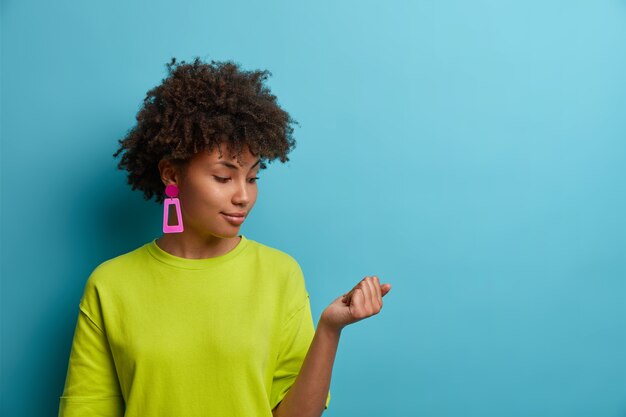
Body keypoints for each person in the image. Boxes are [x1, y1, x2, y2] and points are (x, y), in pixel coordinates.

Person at [58, 57, 391, 417]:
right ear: (171, 174)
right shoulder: (111, 285)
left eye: (252, 178)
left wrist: (329, 328)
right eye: (222, 177)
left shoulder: (279, 274)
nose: (243, 196)